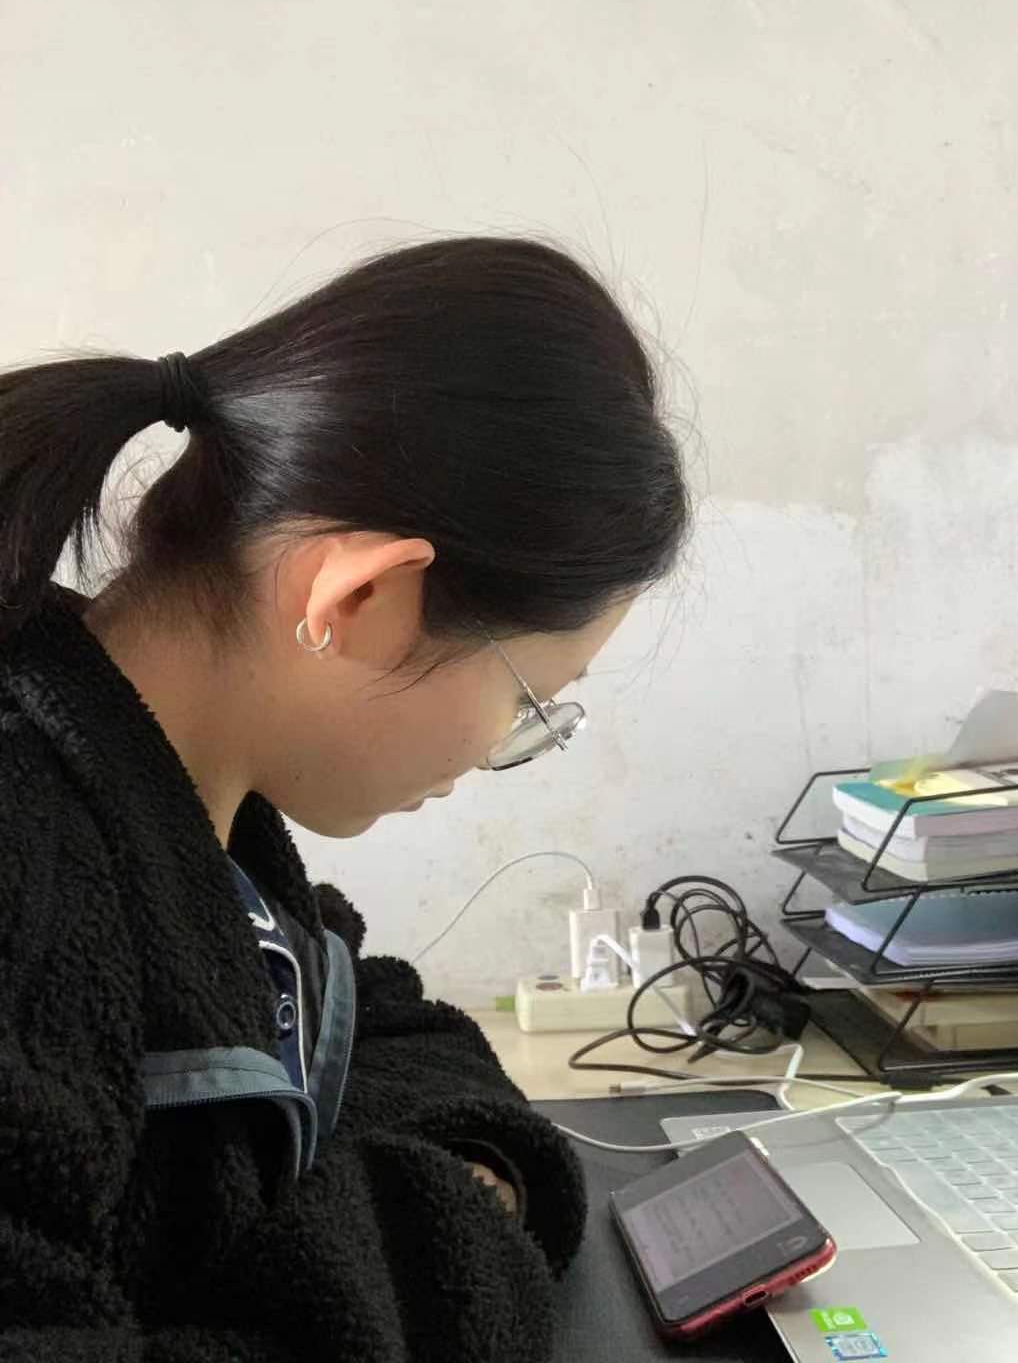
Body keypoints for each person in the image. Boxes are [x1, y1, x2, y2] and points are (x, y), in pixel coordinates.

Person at [0, 236, 688, 1362]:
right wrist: (447, 1226)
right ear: (363, 599)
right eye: (530, 699)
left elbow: (370, 1024)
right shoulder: (33, 863)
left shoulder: (192, 821)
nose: (505, 747)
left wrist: (472, 1167)